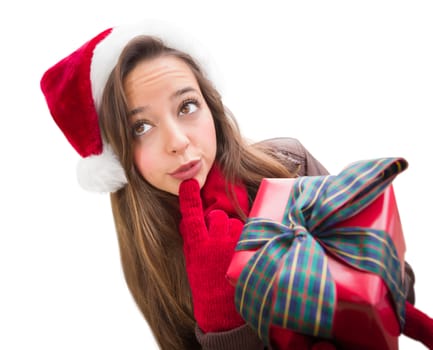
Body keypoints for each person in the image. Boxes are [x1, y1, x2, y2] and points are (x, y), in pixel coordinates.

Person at [41, 21, 426, 350]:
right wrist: (223, 324)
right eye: (140, 127)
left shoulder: (286, 164)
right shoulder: (149, 251)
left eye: (186, 106)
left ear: (211, 107)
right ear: (120, 157)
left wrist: (335, 265)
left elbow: (401, 291)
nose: (177, 140)